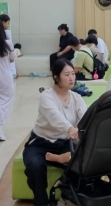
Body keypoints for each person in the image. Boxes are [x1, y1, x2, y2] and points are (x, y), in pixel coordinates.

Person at [23, 59, 87, 206]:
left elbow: (85, 118)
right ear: (56, 77)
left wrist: (83, 129)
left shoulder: (76, 98)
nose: (71, 78)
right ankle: (42, 202)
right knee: (34, 166)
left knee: (83, 163)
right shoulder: (47, 96)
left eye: (73, 74)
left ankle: (67, 197)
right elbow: (54, 117)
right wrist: (70, 128)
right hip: (40, 143)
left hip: (64, 143)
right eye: (67, 75)